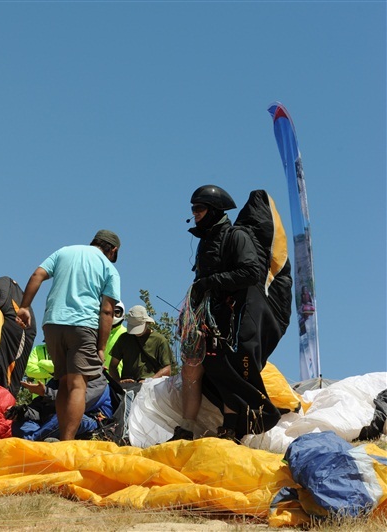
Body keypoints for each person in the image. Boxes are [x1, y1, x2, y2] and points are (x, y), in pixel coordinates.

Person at [172, 185, 288, 442]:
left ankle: (230, 429)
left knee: (226, 373)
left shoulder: (236, 236)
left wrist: (209, 282)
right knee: (191, 369)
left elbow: (251, 272)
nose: (195, 213)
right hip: (204, 318)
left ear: (213, 210)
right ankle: (185, 428)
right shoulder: (206, 241)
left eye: (199, 208)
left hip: (230, 321)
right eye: (193, 209)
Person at [16, 230, 121, 441]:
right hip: (83, 326)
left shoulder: (65, 252)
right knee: (77, 385)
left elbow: (37, 275)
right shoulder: (108, 268)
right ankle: (67, 442)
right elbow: (108, 311)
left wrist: (25, 306)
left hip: (53, 324)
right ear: (113, 250)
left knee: (63, 382)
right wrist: (101, 347)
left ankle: (63, 437)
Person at [6, 376, 113, 442]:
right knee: (19, 422)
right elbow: (41, 408)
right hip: (52, 421)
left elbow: (74, 405)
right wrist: (23, 412)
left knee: (65, 416)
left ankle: (32, 442)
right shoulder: (58, 379)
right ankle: (42, 440)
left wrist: (46, 392)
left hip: (89, 421)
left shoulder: (99, 382)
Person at [107, 305, 174, 385]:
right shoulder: (124, 338)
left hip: (151, 389)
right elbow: (112, 366)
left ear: (147, 323)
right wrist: (119, 382)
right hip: (128, 388)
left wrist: (150, 381)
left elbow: (167, 369)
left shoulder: (159, 340)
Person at [103, 300, 126, 369]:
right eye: (109, 311)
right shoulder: (97, 332)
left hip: (118, 377)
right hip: (99, 376)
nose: (113, 314)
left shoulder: (127, 334)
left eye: (117, 312)